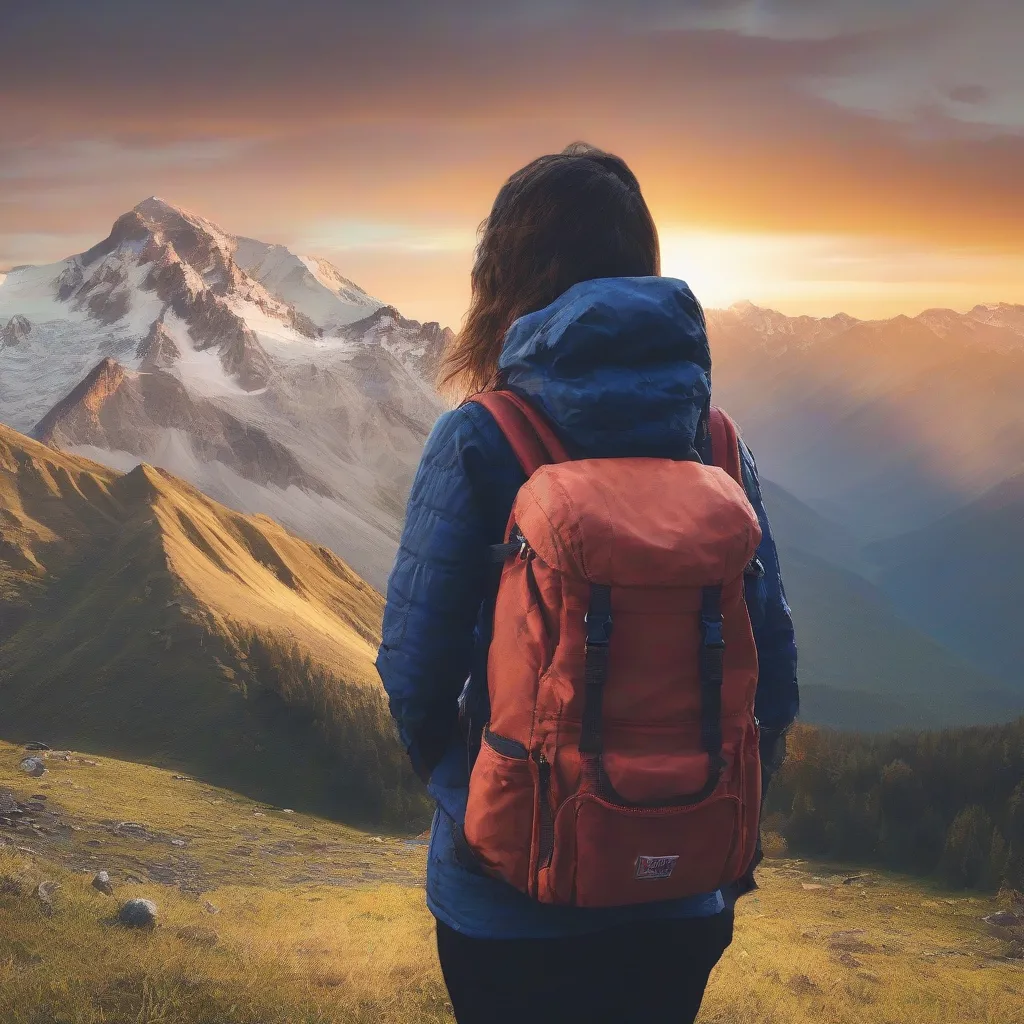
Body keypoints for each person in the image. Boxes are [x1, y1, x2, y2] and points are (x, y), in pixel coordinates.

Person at [376, 142, 798, 1024]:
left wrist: (479, 804)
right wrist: (706, 824)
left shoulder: (482, 438)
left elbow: (414, 678)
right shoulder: (716, 440)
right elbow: (775, 675)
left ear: (507, 276)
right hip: (683, 896)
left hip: (510, 902)